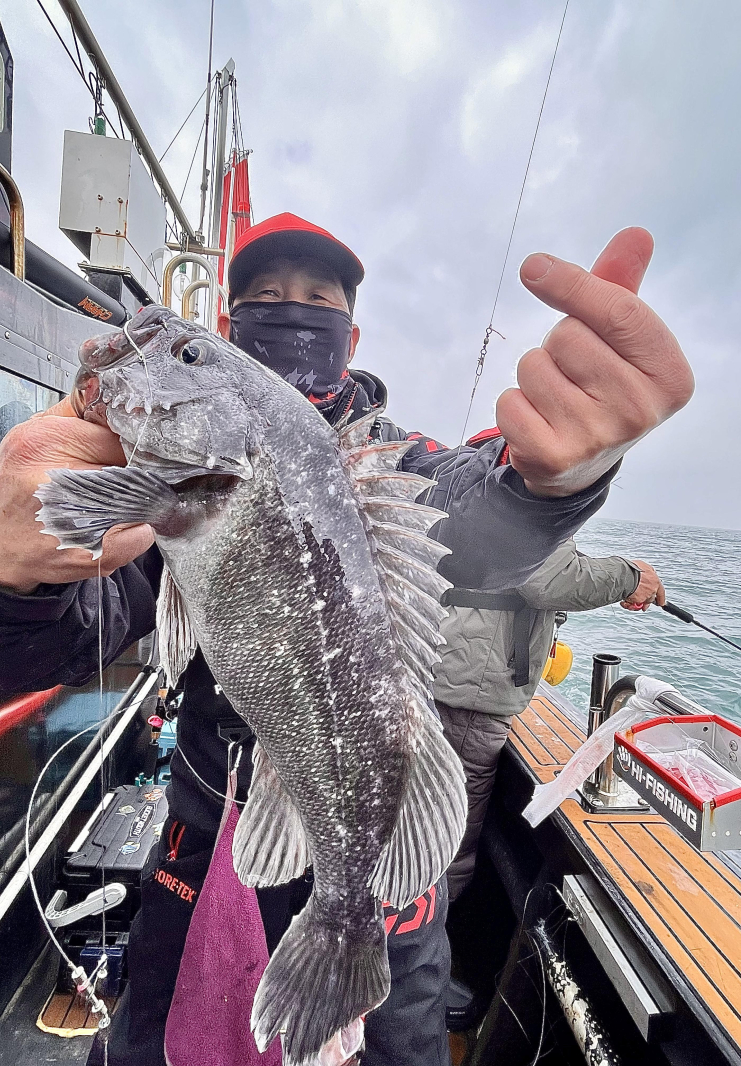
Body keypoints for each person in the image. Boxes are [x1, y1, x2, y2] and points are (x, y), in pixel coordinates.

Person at [0, 215, 693, 1066]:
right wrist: (15, 576)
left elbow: (479, 520)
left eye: (317, 298)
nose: (291, 313)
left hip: (379, 851)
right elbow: (54, 645)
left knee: (400, 1042)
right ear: (233, 327)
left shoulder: (403, 463)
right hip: (209, 823)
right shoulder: (148, 489)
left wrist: (556, 481)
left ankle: (348, 928)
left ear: (351, 332)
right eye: (263, 297)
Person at [434, 535, 666, 902]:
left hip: (442, 669)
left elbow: (535, 557)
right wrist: (632, 577)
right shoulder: (518, 486)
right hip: (469, 688)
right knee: (445, 844)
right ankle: (414, 949)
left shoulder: (465, 477)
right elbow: (545, 579)